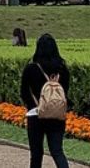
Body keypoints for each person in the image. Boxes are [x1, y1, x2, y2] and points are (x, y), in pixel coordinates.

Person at [22, 34, 71, 168]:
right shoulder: (62, 69)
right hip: (57, 114)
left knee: (36, 153)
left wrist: (33, 105)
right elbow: (65, 91)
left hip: (35, 113)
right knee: (57, 151)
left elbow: (24, 92)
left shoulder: (31, 68)